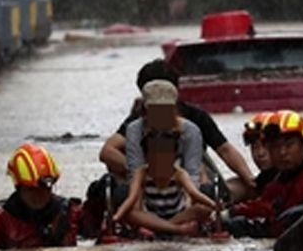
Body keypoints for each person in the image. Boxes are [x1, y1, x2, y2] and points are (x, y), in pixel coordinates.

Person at [99, 59, 257, 196]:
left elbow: (225, 150)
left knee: (242, 185)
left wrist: (250, 180)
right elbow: (108, 151)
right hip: (150, 188)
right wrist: (142, 171)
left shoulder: (196, 117)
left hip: (194, 183)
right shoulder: (136, 122)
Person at [227, 110, 303, 238]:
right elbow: (262, 208)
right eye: (276, 146)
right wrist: (229, 214)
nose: (282, 152)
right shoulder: (275, 186)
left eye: (289, 144)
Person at [0, 143, 83, 251]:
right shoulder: (1, 218)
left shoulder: (68, 211)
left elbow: (93, 227)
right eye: (31, 190)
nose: (38, 196)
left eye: (44, 189)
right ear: (19, 189)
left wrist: (96, 199)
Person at [114, 129, 220, 237]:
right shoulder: (141, 173)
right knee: (131, 214)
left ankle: (162, 228)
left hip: (177, 216)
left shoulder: (179, 173)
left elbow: (194, 193)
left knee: (202, 209)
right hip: (152, 217)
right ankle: (175, 229)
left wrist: (214, 205)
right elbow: (131, 198)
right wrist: (117, 216)